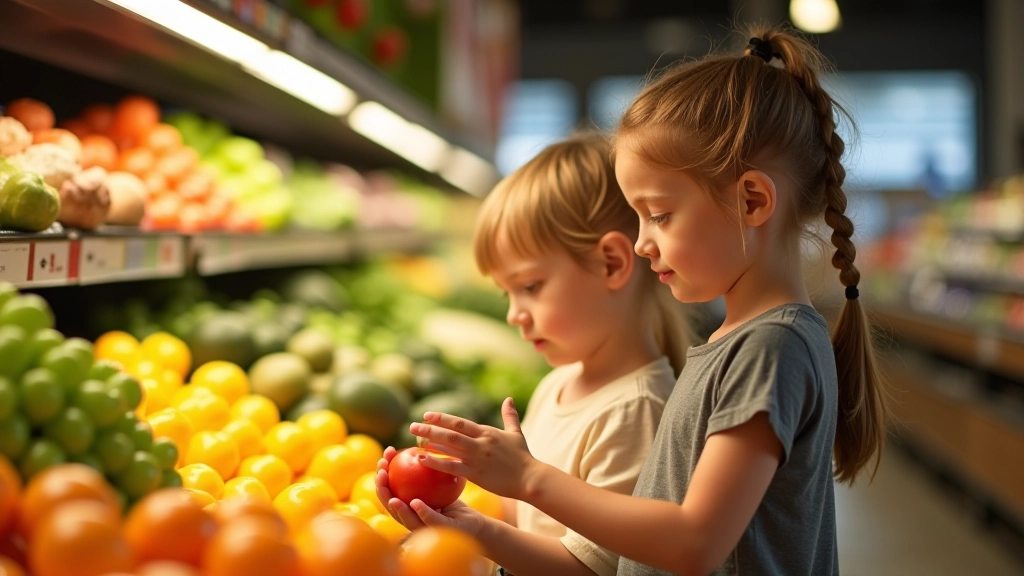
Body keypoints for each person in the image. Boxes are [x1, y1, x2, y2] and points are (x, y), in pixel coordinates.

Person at [384, 26, 889, 576]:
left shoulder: (770, 346)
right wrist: (475, 525)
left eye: (660, 215)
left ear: (751, 200)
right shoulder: (742, 341)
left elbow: (694, 542)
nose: (642, 242)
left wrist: (529, 478)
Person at [379, 133, 690, 576]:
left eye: (529, 286)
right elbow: (527, 517)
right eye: (506, 293)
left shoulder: (636, 411)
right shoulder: (559, 383)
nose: (513, 315)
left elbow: (596, 569)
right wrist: (453, 513)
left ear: (612, 263)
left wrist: (481, 534)